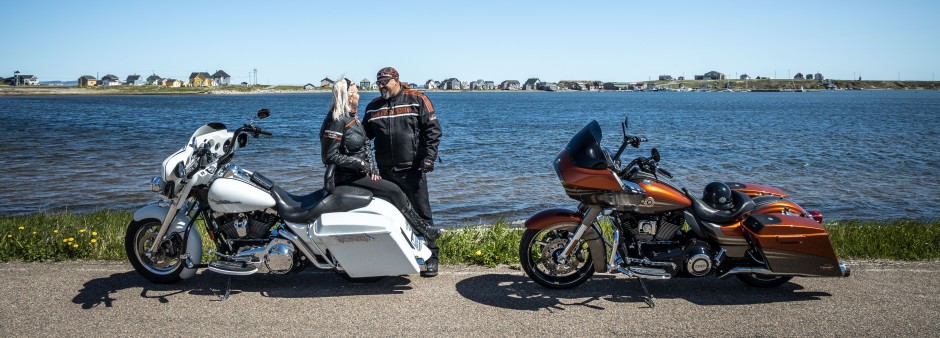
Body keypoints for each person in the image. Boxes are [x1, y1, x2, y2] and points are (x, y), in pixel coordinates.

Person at [363, 67, 443, 277]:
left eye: (385, 82)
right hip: (385, 172)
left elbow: (433, 131)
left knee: (422, 214)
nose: (381, 86)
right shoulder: (373, 107)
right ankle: (399, 256)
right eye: (378, 82)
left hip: (413, 170)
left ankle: (431, 257)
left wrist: (429, 158)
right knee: (391, 216)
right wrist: (366, 165)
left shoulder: (417, 99)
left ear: (397, 81)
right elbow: (362, 138)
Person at [319, 78, 422, 238]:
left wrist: (371, 168)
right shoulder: (337, 120)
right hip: (347, 177)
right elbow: (329, 156)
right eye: (357, 92)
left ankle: (401, 234)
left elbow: (365, 143)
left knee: (390, 192)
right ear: (349, 96)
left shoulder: (352, 117)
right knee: (394, 191)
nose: (359, 95)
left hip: (359, 173)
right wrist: (360, 164)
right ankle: (423, 230)